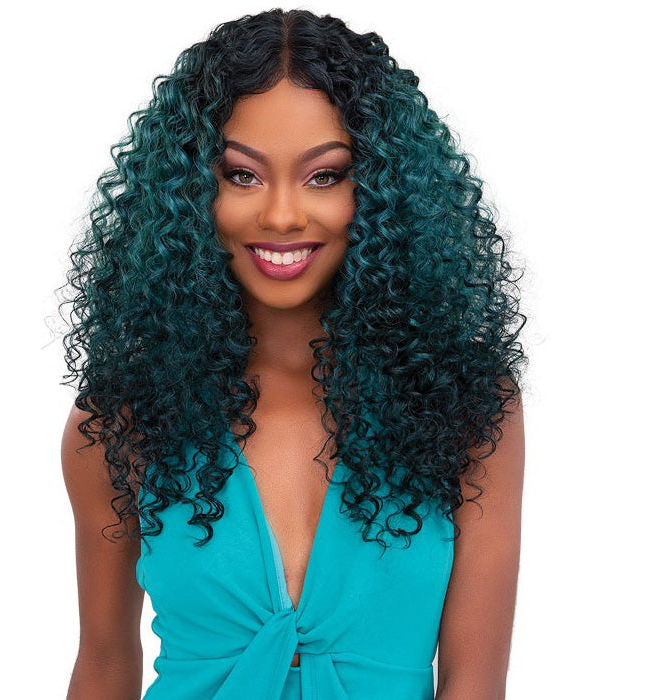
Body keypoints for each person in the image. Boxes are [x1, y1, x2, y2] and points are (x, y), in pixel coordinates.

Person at [60, 8, 527, 700]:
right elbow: (104, 667)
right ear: (188, 191)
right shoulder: (124, 416)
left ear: (384, 189)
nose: (281, 216)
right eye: (242, 176)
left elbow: (475, 683)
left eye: (325, 176)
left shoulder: (467, 406)